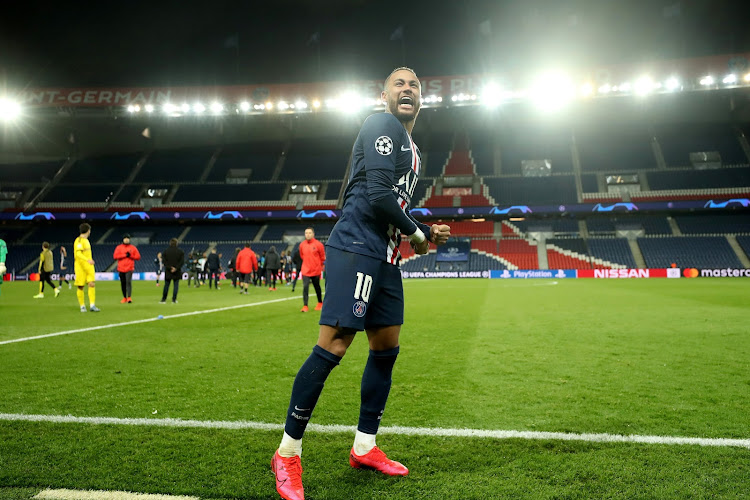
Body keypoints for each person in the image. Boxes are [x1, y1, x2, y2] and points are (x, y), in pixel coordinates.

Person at [271, 67, 451, 500]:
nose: (407, 90)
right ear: (384, 94)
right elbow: (376, 195)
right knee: (334, 344)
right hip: (355, 246)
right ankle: (287, 453)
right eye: (399, 85)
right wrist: (419, 233)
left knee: (386, 348)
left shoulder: (416, 150)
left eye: (415, 87)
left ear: (421, 100)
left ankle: (364, 446)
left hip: (386, 255)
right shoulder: (380, 124)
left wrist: (421, 233)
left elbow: (396, 207)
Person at [298, 227, 326, 312]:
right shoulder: (302, 245)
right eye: (306, 233)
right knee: (305, 287)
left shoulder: (319, 244)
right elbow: (302, 255)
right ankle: (305, 306)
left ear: (313, 234)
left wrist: (319, 266)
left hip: (316, 270)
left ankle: (320, 303)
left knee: (317, 287)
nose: (308, 234)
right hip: (305, 270)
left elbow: (322, 257)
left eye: (309, 233)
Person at [74, 223, 100, 312]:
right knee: (80, 286)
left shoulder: (86, 241)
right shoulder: (79, 241)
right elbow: (78, 254)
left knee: (91, 284)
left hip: (89, 267)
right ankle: (82, 306)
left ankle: (92, 305)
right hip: (80, 267)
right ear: (88, 231)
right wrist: (87, 260)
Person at [113, 234, 141, 303]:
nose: (126, 239)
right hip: (121, 268)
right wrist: (125, 255)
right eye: (125, 238)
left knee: (128, 282)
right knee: (123, 283)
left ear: (129, 239)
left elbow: (138, 257)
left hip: (129, 268)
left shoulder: (133, 248)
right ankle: (124, 297)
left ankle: (129, 297)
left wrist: (131, 256)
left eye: (127, 238)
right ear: (123, 239)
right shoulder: (119, 247)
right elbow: (115, 256)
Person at [160, 238, 184, 304]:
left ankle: (163, 300)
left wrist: (170, 267)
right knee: (176, 285)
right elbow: (182, 262)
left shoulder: (166, 251)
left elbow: (164, 261)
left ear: (170, 243)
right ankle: (174, 300)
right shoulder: (180, 251)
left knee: (166, 285)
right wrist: (176, 268)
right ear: (176, 243)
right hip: (177, 271)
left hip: (168, 271)